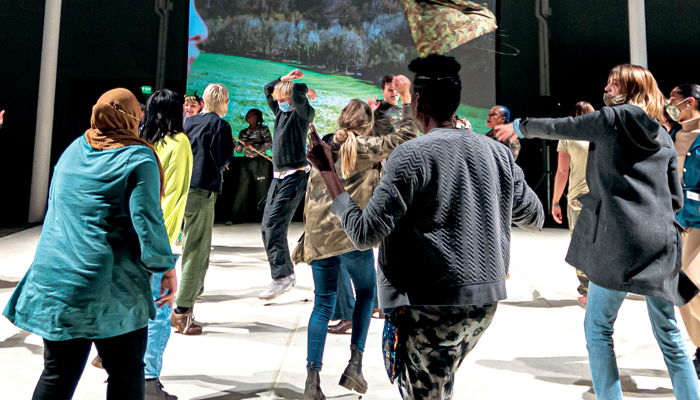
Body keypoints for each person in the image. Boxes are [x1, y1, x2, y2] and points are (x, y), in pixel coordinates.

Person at [307, 55, 543, 400]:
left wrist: (329, 174)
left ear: (417, 103)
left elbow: (363, 234)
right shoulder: (498, 153)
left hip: (428, 303)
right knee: (440, 384)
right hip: (482, 304)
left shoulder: (410, 155)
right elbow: (533, 216)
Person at [495, 65, 700, 400]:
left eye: (614, 82)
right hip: (661, 243)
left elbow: (563, 126)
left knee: (599, 329)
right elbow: (675, 197)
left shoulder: (613, 119)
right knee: (671, 338)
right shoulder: (663, 133)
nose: (606, 86)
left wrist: (520, 126)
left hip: (619, 242)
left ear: (628, 90)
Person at [3, 88, 178, 400]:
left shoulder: (73, 149)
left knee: (58, 374)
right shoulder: (139, 157)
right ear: (133, 119)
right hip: (108, 289)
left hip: (56, 281)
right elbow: (147, 222)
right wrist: (165, 267)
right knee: (125, 370)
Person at [293, 78, 419, 399]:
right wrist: (406, 99)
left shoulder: (322, 146)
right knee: (366, 293)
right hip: (350, 236)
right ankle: (355, 365)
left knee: (322, 305)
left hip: (319, 238)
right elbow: (406, 135)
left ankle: (312, 381)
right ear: (367, 126)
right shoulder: (362, 149)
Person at [139, 89, 193, 399]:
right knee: (160, 311)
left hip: (134, 235)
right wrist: (165, 244)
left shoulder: (142, 141)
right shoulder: (179, 143)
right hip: (159, 237)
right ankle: (148, 381)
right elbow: (174, 196)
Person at [171, 83, 233, 335]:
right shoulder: (220, 125)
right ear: (224, 102)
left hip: (181, 189)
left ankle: (190, 295)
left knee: (188, 246)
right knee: (197, 251)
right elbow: (223, 159)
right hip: (201, 191)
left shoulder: (189, 122)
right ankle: (182, 311)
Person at [258, 69, 316, 301]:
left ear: (292, 98)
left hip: (295, 177)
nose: (278, 102)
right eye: (278, 99)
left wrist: (303, 89)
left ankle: (283, 276)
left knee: (274, 225)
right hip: (278, 177)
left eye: (283, 98)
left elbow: (301, 95)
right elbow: (267, 89)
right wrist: (283, 79)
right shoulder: (280, 113)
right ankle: (282, 274)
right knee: (266, 227)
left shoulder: (302, 114)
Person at [668, 84, 700, 377]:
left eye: (673, 99)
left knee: (692, 282)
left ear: (690, 102)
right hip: (678, 220)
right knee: (680, 291)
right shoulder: (672, 136)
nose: (669, 104)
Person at [551, 101, 595, 307]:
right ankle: (603, 288)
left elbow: (562, 172)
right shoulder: (602, 135)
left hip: (578, 198)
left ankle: (586, 290)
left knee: (581, 242)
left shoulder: (568, 136)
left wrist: (555, 201)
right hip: (603, 197)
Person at [231, 108, 272, 223]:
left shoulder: (263, 129)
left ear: (257, 117)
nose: (247, 116)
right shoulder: (243, 132)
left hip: (260, 162)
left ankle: (263, 218)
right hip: (246, 163)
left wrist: (255, 146)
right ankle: (236, 217)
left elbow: (269, 144)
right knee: (242, 189)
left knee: (262, 191)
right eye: (247, 114)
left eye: (251, 114)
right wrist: (233, 143)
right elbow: (239, 150)